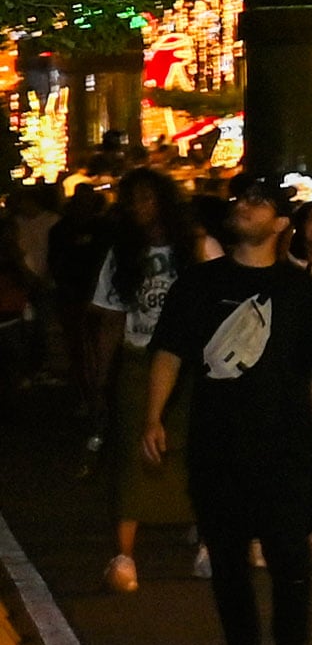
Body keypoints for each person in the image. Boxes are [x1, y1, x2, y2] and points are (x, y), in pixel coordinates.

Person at [144, 188, 312, 645]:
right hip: (216, 440)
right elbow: (169, 352)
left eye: (258, 203)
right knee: (227, 555)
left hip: (284, 442)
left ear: (281, 223)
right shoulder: (199, 283)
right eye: (241, 202)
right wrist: (153, 416)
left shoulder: (300, 289)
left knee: (290, 555)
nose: (243, 207)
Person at [88, 168, 206, 592]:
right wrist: (102, 378)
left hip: (190, 363)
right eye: (132, 200)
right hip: (140, 359)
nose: (139, 207)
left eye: (147, 198)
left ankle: (206, 541)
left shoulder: (194, 247)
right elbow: (111, 319)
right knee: (133, 454)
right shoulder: (122, 254)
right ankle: (124, 555)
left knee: (196, 451)